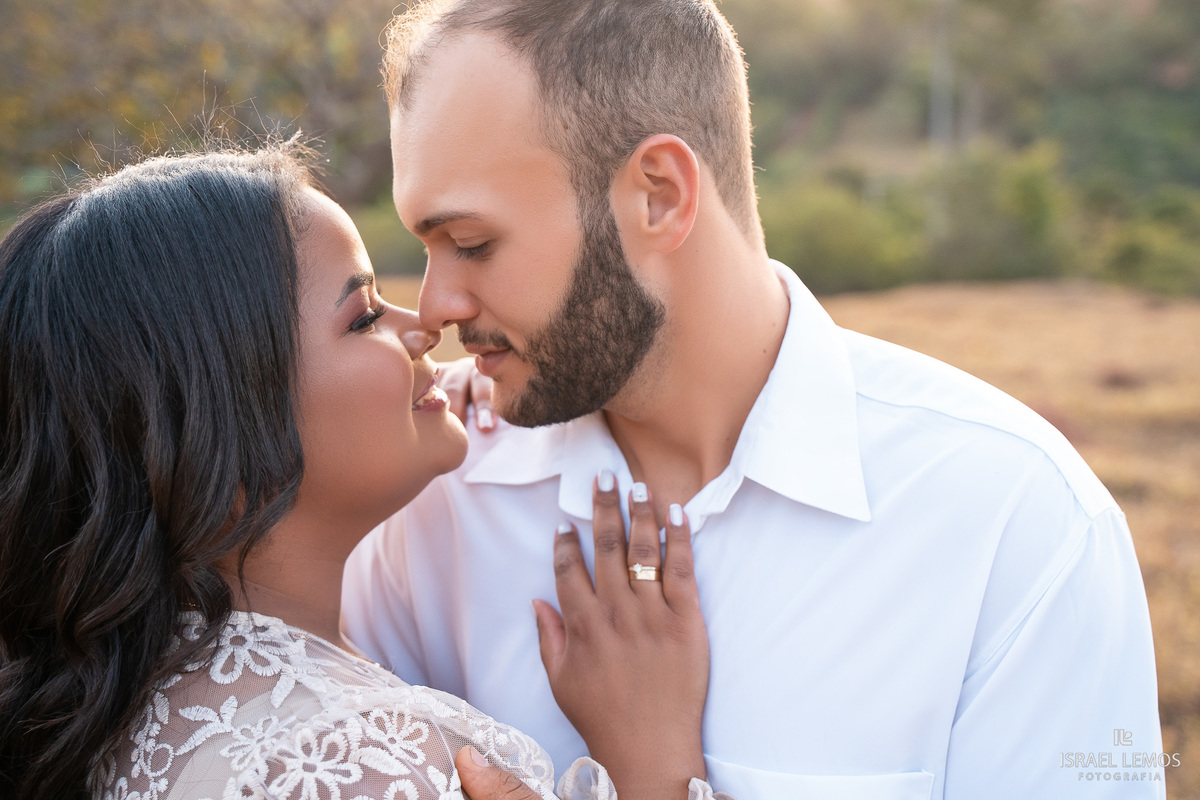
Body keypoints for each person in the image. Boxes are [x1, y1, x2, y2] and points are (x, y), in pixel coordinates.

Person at [341, 1, 1166, 797]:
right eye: (426, 246)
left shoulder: (1015, 525)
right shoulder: (426, 500)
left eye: (473, 244)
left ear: (658, 194)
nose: (439, 306)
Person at [0, 146, 727, 800]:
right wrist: (652, 766)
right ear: (220, 426)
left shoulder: (129, 698)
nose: (424, 326)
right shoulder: (354, 762)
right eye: (363, 315)